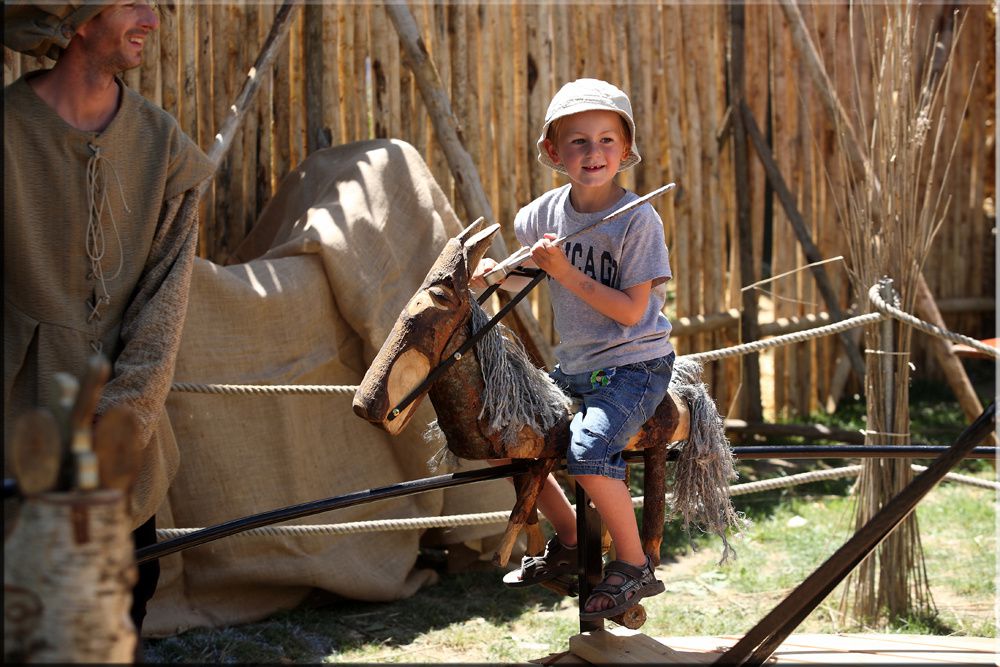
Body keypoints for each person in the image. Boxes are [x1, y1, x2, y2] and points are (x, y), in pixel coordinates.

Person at [3, 0, 215, 645]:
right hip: (16, 415)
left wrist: (120, 422)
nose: (152, 19)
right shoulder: (7, 130)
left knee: (119, 605)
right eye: (132, 4)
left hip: (125, 428)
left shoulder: (163, 147)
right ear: (77, 19)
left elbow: (165, 301)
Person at [473, 78, 675, 620]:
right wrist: (499, 278)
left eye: (608, 139)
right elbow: (536, 279)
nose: (594, 152)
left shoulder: (637, 220)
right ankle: (568, 540)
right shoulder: (541, 217)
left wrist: (563, 269)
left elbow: (633, 312)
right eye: (579, 141)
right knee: (501, 434)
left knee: (587, 452)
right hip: (579, 368)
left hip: (635, 364)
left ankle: (634, 568)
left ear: (627, 149)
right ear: (552, 152)